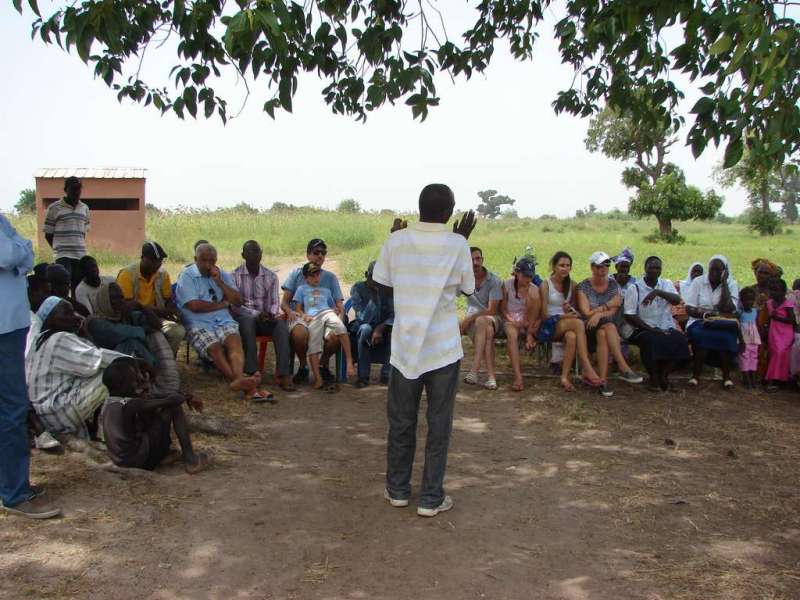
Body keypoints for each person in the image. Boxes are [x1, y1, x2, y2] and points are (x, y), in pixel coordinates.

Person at [373, 183, 476, 518]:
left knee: (401, 421)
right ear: (448, 212)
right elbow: (468, 288)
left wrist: (397, 244)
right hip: (443, 349)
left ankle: (398, 490)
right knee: (439, 423)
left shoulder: (396, 240)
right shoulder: (458, 243)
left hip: (405, 347)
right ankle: (431, 497)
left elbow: (381, 285)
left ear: (419, 208)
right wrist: (459, 243)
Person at [1, 215, 61, 519]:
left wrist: (19, 252)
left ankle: (13, 484)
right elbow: (12, 254)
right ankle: (15, 494)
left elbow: (26, 254)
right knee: (12, 409)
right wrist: (18, 251)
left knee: (10, 409)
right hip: (3, 327)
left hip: (10, 325)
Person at [175, 243, 268, 401]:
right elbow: (194, 306)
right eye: (204, 260)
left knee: (234, 342)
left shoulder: (222, 275)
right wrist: (222, 304)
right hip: (198, 322)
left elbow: (237, 301)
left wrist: (220, 283)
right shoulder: (187, 276)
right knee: (215, 348)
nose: (208, 265)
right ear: (195, 259)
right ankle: (244, 382)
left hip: (222, 320)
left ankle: (238, 379)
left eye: (212, 260)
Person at [26, 297, 129, 438]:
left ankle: (100, 429)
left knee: (109, 369)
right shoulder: (59, 339)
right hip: (56, 414)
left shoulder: (42, 338)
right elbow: (98, 358)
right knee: (117, 372)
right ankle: (110, 434)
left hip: (46, 413)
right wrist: (135, 362)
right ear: (50, 319)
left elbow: (91, 355)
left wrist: (83, 333)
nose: (75, 316)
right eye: (67, 313)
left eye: (73, 312)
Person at [101, 358, 209, 473]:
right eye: (134, 380)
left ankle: (164, 454)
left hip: (121, 461)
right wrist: (185, 397)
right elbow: (171, 401)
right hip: (140, 462)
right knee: (173, 408)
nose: (138, 383)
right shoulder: (131, 404)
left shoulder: (109, 403)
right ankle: (191, 459)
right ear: (123, 385)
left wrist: (184, 396)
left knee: (150, 414)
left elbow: (154, 399)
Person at [575, 251, 644, 397]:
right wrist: (606, 306)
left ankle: (603, 381)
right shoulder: (583, 286)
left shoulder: (613, 284)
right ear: (592, 267)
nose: (604, 268)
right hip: (587, 327)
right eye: (600, 265)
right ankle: (623, 366)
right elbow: (586, 313)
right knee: (608, 327)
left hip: (604, 326)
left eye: (607, 265)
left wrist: (599, 312)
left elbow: (613, 310)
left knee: (604, 332)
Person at [231, 240, 293, 391]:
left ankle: (284, 374)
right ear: (243, 255)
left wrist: (270, 314)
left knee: (280, 325)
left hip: (265, 319)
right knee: (247, 321)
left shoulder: (271, 276)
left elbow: (274, 302)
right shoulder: (234, 276)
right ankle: (253, 372)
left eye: (257, 252)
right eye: (250, 252)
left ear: (261, 254)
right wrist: (256, 314)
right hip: (246, 317)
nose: (254, 255)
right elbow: (235, 306)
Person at [281, 239, 345, 385]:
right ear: (308, 255)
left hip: (325, 316)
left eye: (323, 253)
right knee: (299, 334)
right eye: (316, 253)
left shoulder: (330, 277)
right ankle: (303, 366)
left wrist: (339, 314)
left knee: (336, 335)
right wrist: (289, 311)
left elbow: (339, 304)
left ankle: (322, 364)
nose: (320, 256)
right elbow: (284, 302)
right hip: (301, 316)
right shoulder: (296, 274)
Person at [538, 251, 604, 392]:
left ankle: (564, 377)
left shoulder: (573, 285)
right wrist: (567, 317)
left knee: (572, 336)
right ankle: (586, 367)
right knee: (578, 323)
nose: (565, 268)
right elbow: (543, 316)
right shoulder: (545, 285)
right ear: (554, 267)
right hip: (550, 326)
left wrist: (572, 311)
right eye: (561, 265)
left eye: (568, 265)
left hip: (568, 326)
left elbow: (576, 311)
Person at [623, 256, 690, 391]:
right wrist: (651, 329)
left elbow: (677, 300)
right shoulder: (635, 288)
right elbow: (629, 315)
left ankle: (664, 375)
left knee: (681, 340)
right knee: (650, 341)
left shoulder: (666, 284)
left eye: (658, 268)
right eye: (651, 267)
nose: (655, 270)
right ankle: (654, 377)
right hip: (642, 328)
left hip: (665, 326)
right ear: (645, 269)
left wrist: (658, 292)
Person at [292, 262, 354, 390]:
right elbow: (298, 308)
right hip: (313, 317)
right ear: (305, 277)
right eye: (312, 276)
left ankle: (349, 361)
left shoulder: (326, 291)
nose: (316, 278)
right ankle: (318, 378)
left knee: (341, 329)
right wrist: (304, 316)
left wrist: (336, 311)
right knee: (313, 346)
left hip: (327, 313)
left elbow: (332, 306)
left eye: (317, 275)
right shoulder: (301, 289)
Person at [117, 241, 186, 355]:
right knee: (153, 333)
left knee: (177, 331)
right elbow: (127, 306)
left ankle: (167, 360)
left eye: (159, 261)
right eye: (153, 261)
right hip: (134, 318)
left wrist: (174, 312)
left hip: (157, 318)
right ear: (142, 258)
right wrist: (160, 311)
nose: (156, 265)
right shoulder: (127, 274)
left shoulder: (163, 274)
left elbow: (168, 299)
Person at [683, 255, 740, 388]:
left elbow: (729, 309)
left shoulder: (731, 284)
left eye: (718, 270)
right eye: (711, 269)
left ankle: (726, 377)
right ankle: (695, 376)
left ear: (725, 272)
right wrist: (707, 314)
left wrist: (724, 284)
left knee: (725, 337)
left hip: (722, 323)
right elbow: (689, 308)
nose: (714, 273)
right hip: (698, 321)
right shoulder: (698, 282)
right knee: (702, 335)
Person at [460, 247, 503, 390]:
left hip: (492, 318)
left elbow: (492, 310)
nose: (475, 262)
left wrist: (469, 318)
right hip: (476, 323)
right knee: (487, 332)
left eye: (478, 259)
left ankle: (474, 369)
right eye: (471, 260)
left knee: (482, 321)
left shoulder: (494, 280)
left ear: (482, 260)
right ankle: (491, 377)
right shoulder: (463, 279)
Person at [349, 261, 394, 388]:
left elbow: (393, 315)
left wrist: (380, 328)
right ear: (366, 275)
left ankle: (387, 373)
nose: (375, 282)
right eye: (372, 277)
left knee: (395, 330)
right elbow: (363, 318)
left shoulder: (388, 290)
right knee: (365, 329)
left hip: (383, 326)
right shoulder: (358, 288)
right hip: (364, 325)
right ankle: (363, 376)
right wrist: (374, 298)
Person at [500, 256, 541, 392]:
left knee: (533, 297)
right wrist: (512, 320)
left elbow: (535, 314)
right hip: (511, 318)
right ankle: (518, 376)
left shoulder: (534, 289)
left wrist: (528, 329)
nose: (527, 279)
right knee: (512, 335)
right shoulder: (507, 285)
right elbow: (503, 309)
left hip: (528, 320)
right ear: (517, 273)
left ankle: (529, 336)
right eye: (525, 276)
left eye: (530, 276)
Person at [43, 176, 89, 296]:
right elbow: (48, 234)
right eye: (73, 189)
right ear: (66, 190)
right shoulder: (54, 208)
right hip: (63, 255)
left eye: (79, 188)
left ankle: (75, 312)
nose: (77, 192)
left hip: (80, 255)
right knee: (62, 287)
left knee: (78, 289)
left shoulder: (84, 208)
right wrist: (58, 249)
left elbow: (83, 232)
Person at [749, 258, 783, 378]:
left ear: (771, 275)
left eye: (766, 273)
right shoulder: (750, 290)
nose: (762, 275)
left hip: (772, 327)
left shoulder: (776, 291)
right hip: (752, 326)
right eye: (760, 272)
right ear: (755, 273)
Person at [764, 277, 796, 391]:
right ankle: (778, 379)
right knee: (774, 354)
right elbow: (767, 319)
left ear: (783, 292)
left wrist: (777, 318)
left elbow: (792, 321)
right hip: (774, 333)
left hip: (785, 333)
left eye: (776, 290)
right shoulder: (769, 303)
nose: (773, 292)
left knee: (780, 353)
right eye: (771, 289)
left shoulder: (787, 304)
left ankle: (774, 379)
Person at [737, 287, 760, 390]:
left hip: (754, 339)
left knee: (754, 358)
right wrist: (741, 340)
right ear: (741, 300)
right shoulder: (740, 313)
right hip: (744, 340)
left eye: (751, 299)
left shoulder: (755, 311)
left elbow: (757, 325)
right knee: (744, 358)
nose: (749, 302)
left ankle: (753, 379)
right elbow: (738, 327)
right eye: (746, 299)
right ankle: (746, 379)